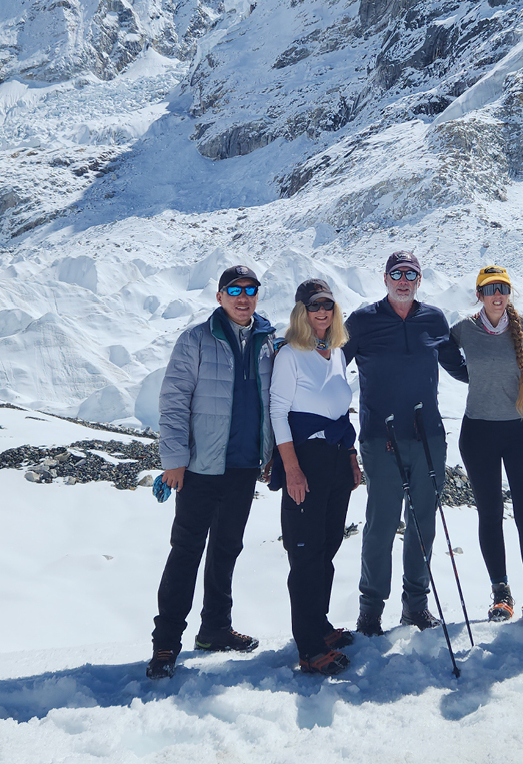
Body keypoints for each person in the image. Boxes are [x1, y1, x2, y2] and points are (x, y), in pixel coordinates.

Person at [147, 265, 277, 679]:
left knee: (226, 549)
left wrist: (269, 451)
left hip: (243, 465)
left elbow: (273, 399)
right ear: (219, 297)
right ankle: (166, 643)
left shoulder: (267, 341)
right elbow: (173, 400)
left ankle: (215, 629)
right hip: (200, 468)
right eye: (234, 290)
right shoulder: (196, 340)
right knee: (186, 552)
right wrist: (173, 462)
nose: (243, 297)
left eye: (250, 290)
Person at [344, 250, 468, 636]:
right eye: (396, 273)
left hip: (428, 435)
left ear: (418, 280)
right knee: (381, 524)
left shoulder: (433, 319)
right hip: (381, 438)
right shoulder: (362, 321)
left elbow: (460, 367)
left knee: (423, 522)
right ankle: (370, 612)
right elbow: (329, 370)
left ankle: (415, 606)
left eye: (410, 274)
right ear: (384, 278)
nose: (403, 280)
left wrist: (505, 371)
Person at [448, 265, 523, 635]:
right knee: (490, 513)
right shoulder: (465, 329)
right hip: (478, 432)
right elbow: (443, 351)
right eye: (490, 289)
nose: (497, 295)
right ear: (479, 294)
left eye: (503, 289)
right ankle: (501, 593)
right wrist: (471, 376)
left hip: (520, 431)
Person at [268, 278, 363, 676]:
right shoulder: (291, 354)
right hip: (305, 459)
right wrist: (290, 467)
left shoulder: (335, 351)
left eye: (327, 305)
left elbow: (340, 409)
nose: (322, 312)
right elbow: (278, 411)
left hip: (337, 458)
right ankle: (308, 647)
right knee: (305, 554)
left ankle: (320, 626)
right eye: (314, 306)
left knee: (327, 547)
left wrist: (352, 459)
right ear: (301, 311)